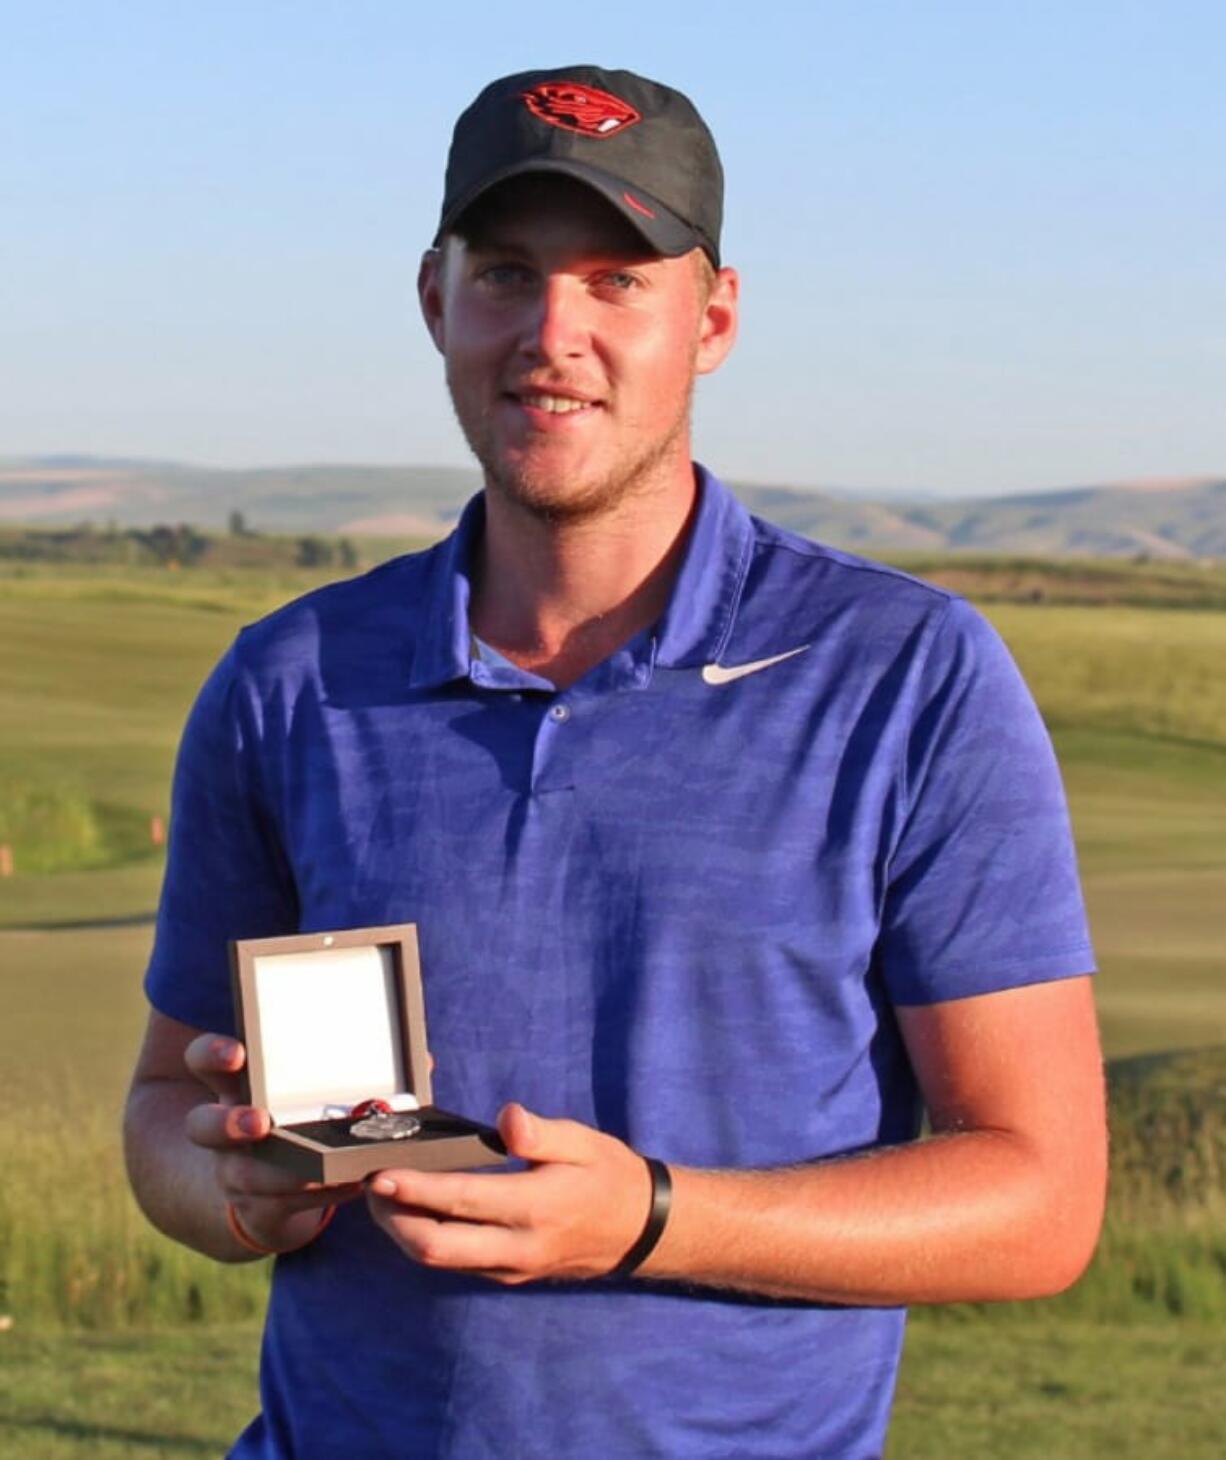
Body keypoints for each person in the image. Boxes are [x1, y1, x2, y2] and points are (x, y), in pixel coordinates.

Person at [124, 65, 1107, 1459]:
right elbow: (165, 1112)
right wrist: (227, 1186)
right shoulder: (287, 680)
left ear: (711, 320)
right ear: (433, 300)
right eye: (506, 274)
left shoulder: (907, 674)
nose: (550, 333)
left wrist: (646, 1218)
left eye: (615, 281)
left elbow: (1040, 1202)